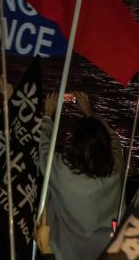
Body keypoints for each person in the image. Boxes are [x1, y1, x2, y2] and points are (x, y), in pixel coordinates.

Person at [40, 90, 123, 259]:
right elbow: (114, 138)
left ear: (75, 145)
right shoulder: (116, 169)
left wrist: (48, 114)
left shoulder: (62, 171)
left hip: (64, 253)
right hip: (105, 251)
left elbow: (43, 147)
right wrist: (90, 113)